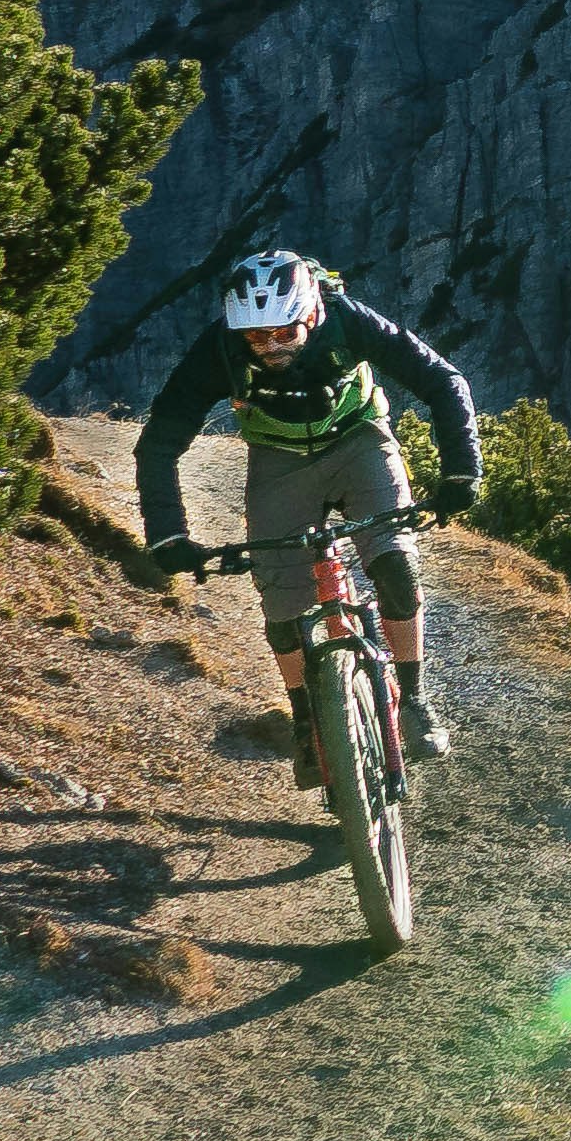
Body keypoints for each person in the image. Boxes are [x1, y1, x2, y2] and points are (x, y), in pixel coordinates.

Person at [136, 250, 483, 773]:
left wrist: (460, 472)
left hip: (361, 441)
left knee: (395, 564)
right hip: (278, 462)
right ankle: (305, 722)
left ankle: (412, 699)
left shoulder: (347, 319)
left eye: (285, 332)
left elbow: (443, 380)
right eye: (257, 338)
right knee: (283, 608)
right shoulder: (221, 347)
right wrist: (167, 533)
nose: (271, 346)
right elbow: (159, 441)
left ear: (312, 313)